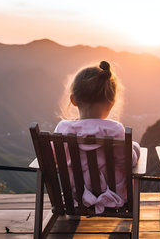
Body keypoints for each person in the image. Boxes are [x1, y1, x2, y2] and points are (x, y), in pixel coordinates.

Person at [54, 60, 140, 214]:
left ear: (73, 100)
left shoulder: (63, 129)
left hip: (76, 195)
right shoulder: (115, 130)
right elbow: (128, 161)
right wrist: (135, 150)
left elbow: (53, 159)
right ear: (111, 103)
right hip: (113, 196)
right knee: (136, 149)